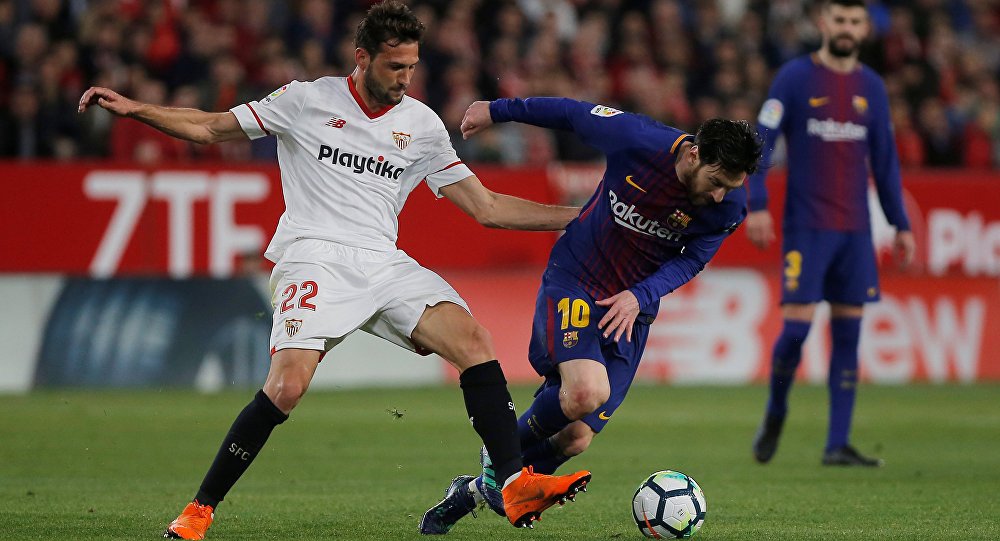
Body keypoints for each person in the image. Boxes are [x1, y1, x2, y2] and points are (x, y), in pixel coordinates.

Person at [78, 2, 592, 539]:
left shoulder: (421, 125)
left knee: (474, 341)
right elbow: (211, 127)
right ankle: (199, 509)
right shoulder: (306, 100)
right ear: (362, 57)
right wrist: (135, 109)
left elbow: (486, 207)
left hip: (383, 261)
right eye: (395, 66)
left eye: (412, 67)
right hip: (314, 255)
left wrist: (581, 217)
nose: (405, 79)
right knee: (287, 387)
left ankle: (513, 484)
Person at [419, 97, 762, 534]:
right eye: (715, 182)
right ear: (694, 154)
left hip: (630, 309)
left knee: (576, 437)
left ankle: (475, 490)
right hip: (577, 279)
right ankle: (500, 458)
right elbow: (570, 113)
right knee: (585, 392)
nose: (718, 195)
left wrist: (639, 296)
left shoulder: (729, 205)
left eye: (730, 186)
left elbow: (692, 259)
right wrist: (498, 111)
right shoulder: (637, 139)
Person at [745, 0, 916, 467]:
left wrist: (900, 223)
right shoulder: (794, 78)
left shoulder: (872, 87)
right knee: (796, 330)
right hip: (808, 226)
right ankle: (776, 408)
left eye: (854, 22)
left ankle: (837, 443)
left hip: (855, 231)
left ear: (865, 29)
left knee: (848, 333)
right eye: (839, 20)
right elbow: (761, 143)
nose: (846, 28)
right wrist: (757, 204)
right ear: (823, 23)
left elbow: (885, 161)